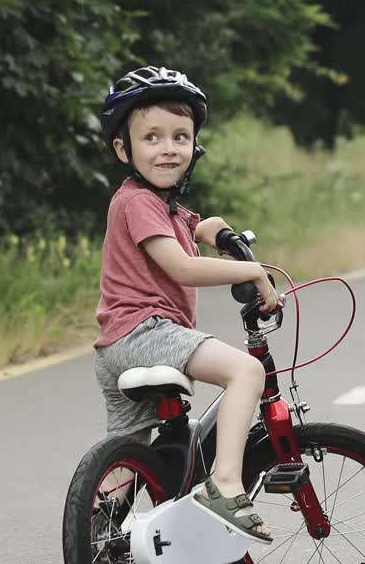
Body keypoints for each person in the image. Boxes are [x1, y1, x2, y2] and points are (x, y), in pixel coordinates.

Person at [92, 65, 280, 544]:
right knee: (247, 373)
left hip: (115, 347)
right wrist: (253, 271)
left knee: (129, 464)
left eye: (180, 136)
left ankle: (98, 536)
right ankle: (225, 486)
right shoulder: (137, 203)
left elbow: (197, 225)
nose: (168, 147)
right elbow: (181, 267)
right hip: (147, 333)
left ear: (194, 147)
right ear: (123, 148)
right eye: (151, 137)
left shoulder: (158, 205)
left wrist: (221, 234)